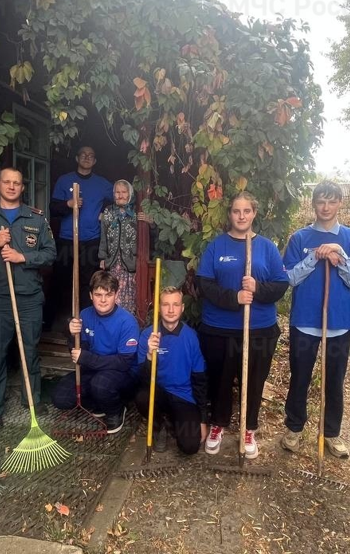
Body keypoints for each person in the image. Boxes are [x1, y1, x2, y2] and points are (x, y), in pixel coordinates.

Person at [280, 181, 350, 458]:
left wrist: (339, 256)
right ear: (314, 203)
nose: (326, 207)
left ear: (340, 203)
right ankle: (294, 429)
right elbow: (289, 278)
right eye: (321, 201)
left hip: (338, 322)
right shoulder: (300, 238)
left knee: (334, 380)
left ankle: (331, 433)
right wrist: (314, 259)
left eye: (331, 201)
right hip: (305, 319)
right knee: (300, 377)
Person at [196, 191, 289, 458]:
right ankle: (218, 424)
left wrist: (257, 289)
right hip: (219, 329)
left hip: (259, 329)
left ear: (254, 214)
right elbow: (205, 285)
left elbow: (281, 285)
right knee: (220, 380)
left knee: (254, 381)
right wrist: (234, 297)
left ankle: (249, 429)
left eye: (246, 211)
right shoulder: (217, 246)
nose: (241, 216)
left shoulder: (267, 247)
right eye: (236, 211)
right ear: (230, 214)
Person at [0, 167, 56, 430]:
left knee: (29, 350)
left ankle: (32, 399)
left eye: (16, 183)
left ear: (22, 187)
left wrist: (24, 258)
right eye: (6, 182)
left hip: (28, 296)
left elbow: (51, 254)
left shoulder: (37, 219)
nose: (11, 186)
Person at [53, 270, 140, 434]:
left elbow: (123, 362)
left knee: (100, 384)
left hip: (122, 373)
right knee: (61, 397)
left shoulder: (127, 322)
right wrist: (71, 334)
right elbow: (80, 352)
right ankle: (98, 402)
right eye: (98, 294)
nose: (103, 300)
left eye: (108, 294)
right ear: (91, 295)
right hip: (93, 370)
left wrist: (86, 358)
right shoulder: (84, 315)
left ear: (116, 295)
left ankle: (116, 409)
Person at [134, 286, 208, 455]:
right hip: (157, 393)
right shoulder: (148, 335)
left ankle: (173, 421)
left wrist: (203, 420)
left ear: (182, 308)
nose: (171, 309)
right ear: (159, 308)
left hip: (183, 396)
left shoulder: (191, 337)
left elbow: (200, 379)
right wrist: (149, 356)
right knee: (142, 397)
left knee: (190, 446)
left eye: (175, 304)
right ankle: (158, 424)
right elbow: (141, 379)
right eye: (166, 304)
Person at [49, 146, 113, 320]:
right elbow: (53, 208)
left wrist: (106, 212)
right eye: (83, 154)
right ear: (77, 158)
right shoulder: (64, 180)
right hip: (67, 239)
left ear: (95, 161)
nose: (87, 157)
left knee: (87, 282)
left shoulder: (102, 184)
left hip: (91, 240)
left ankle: (84, 320)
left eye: (91, 155)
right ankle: (55, 321)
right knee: (61, 280)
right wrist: (68, 204)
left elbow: (123, 197)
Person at [99, 179, 149, 308]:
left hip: (130, 263)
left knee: (130, 299)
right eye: (117, 192)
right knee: (111, 294)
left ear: (130, 194)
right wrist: (102, 257)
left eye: (124, 192)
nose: (120, 195)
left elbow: (149, 234)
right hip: (113, 263)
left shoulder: (137, 212)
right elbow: (103, 236)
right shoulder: (108, 212)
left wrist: (150, 221)